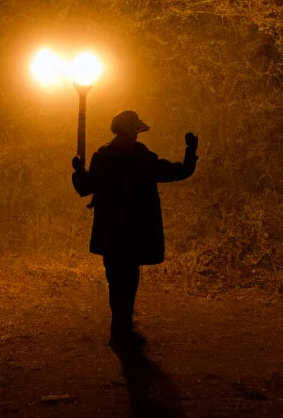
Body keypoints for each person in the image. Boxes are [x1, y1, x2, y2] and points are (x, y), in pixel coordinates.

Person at [71, 110, 198, 345]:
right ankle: (122, 323)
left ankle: (120, 323)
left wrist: (78, 172)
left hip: (111, 229)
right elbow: (179, 171)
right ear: (129, 131)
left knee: (117, 276)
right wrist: (190, 151)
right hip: (134, 229)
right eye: (134, 131)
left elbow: (85, 187)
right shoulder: (140, 157)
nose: (136, 136)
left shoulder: (104, 155)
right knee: (127, 277)